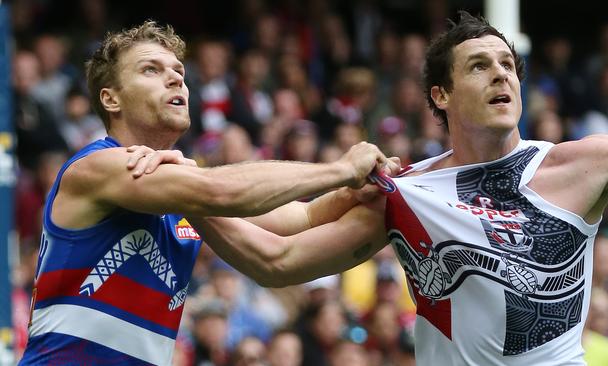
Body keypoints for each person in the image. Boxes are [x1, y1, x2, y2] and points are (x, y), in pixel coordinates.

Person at [190, 11, 608, 365]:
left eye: (508, 64)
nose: (500, 74)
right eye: (479, 65)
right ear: (440, 95)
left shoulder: (586, 163)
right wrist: (185, 194)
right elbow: (279, 258)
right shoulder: (407, 194)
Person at [18, 21, 395, 365]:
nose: (176, 80)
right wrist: (340, 170)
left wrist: (353, 192)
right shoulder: (97, 167)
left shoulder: (183, 192)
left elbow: (302, 222)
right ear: (111, 99)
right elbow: (219, 191)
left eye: (179, 72)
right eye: (151, 69)